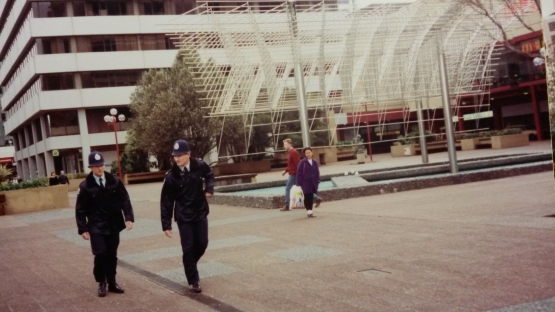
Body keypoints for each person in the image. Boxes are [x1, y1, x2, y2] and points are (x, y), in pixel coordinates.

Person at [76, 151, 134, 297]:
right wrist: (83, 228)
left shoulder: (114, 181)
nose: (100, 169)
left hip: (113, 224)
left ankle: (112, 282)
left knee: (112, 255)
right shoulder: (85, 187)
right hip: (96, 226)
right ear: (90, 167)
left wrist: (128, 217)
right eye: (96, 166)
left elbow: (124, 199)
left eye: (101, 165)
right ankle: (101, 281)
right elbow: (80, 209)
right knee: (100, 254)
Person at [160, 139, 215, 293]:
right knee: (188, 247)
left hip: (200, 212)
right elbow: (166, 201)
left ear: (188, 154)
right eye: (174, 156)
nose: (176, 159)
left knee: (202, 244)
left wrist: (209, 188)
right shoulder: (172, 176)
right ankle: (194, 280)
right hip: (183, 216)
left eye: (180, 155)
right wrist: (166, 224)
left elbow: (210, 175)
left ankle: (189, 264)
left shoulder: (199, 165)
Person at [280, 139, 322, 211]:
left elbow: (298, 164)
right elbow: (291, 165)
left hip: (294, 174)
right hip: (293, 173)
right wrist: (286, 170)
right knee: (302, 188)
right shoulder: (290, 152)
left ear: (290, 144)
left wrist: (300, 174)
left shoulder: (293, 152)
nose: (284, 146)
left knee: (288, 188)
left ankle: (287, 205)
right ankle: (317, 198)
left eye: (285, 144)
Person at [296, 147, 320, 218]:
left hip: (313, 182)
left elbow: (317, 172)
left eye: (309, 152)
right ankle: (308, 210)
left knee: (311, 196)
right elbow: (299, 173)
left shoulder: (314, 161)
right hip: (305, 182)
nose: (308, 154)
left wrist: (317, 180)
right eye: (307, 153)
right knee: (307, 196)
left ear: (312, 153)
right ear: (305, 154)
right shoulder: (302, 162)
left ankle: (310, 210)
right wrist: (299, 183)